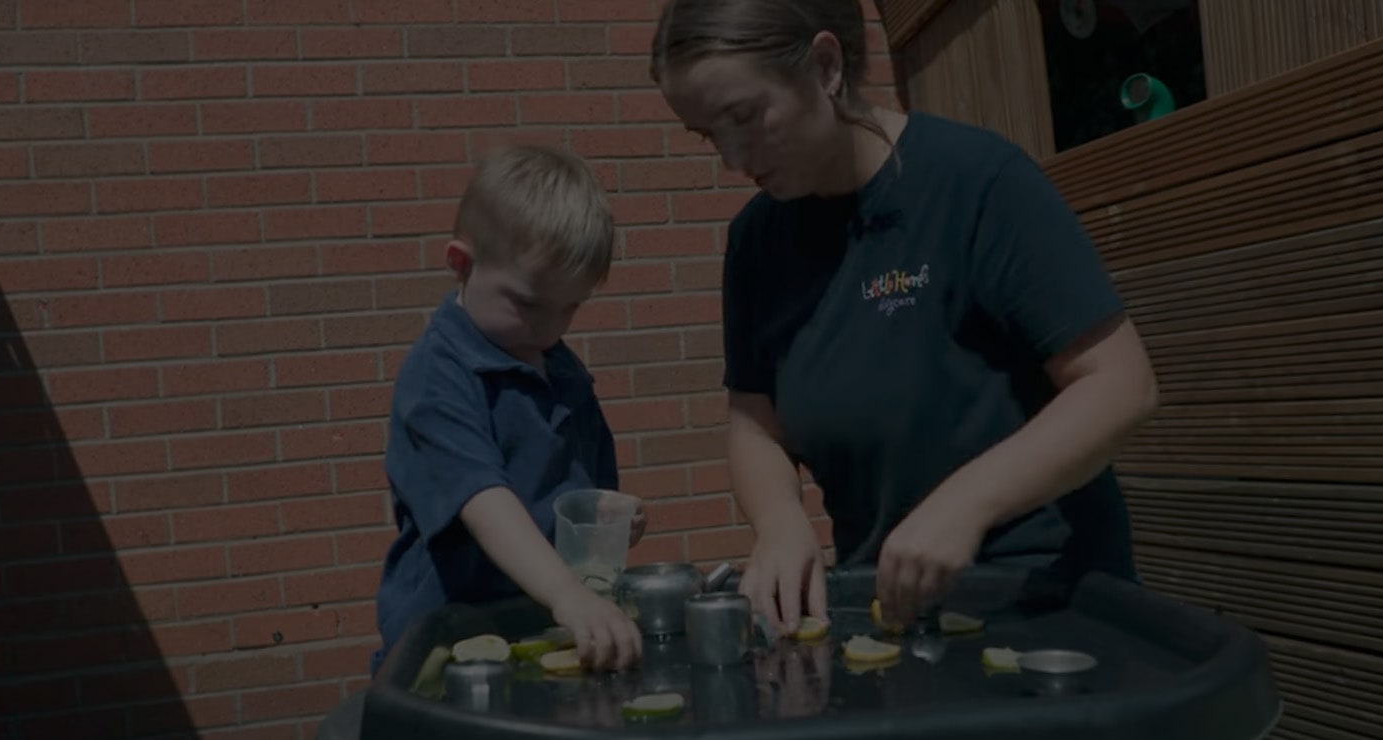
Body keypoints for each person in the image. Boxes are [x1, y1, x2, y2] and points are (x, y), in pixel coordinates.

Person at [649, 0, 1162, 636]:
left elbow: (1120, 386)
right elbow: (756, 428)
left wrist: (967, 502)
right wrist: (780, 523)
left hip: (1046, 601)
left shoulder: (978, 183)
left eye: (744, 117)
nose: (731, 157)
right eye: (707, 134)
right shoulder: (757, 242)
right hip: (890, 608)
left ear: (826, 65)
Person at [371, 144, 647, 677]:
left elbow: (571, 497)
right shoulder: (439, 376)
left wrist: (608, 516)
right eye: (528, 303)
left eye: (570, 306)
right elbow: (484, 501)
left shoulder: (554, 364)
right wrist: (569, 594)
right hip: (447, 648)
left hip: (541, 634)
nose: (550, 326)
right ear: (461, 263)